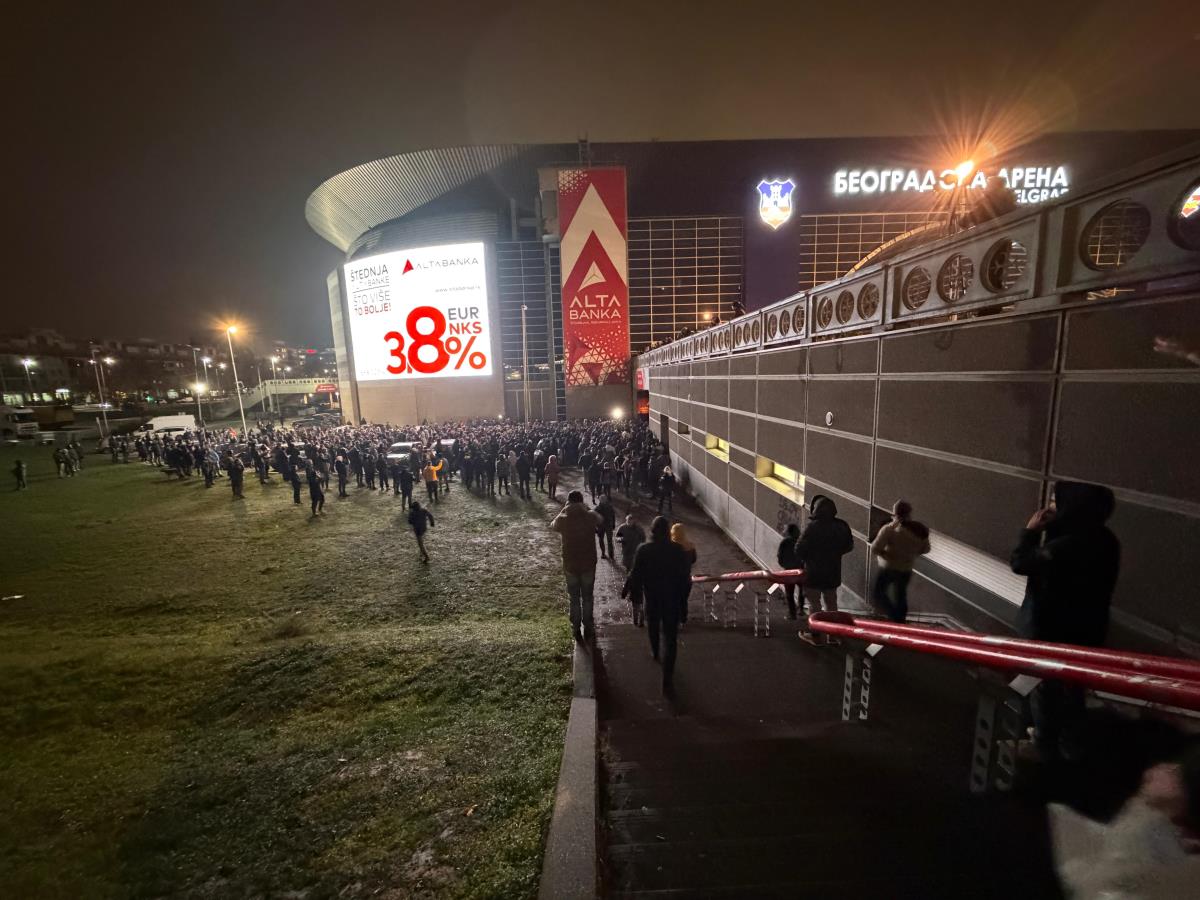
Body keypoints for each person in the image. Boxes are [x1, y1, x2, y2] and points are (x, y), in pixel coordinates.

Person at [1011, 481, 1120, 761]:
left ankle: (1044, 747)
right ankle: (1071, 747)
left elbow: (1020, 563)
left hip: (1053, 630)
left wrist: (1030, 532)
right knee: (1074, 689)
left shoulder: (1066, 545)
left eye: (1055, 501)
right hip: (1087, 629)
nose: (1049, 507)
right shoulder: (1105, 539)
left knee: (1046, 688)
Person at [624, 516, 692, 693]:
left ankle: (654, 651)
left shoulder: (644, 549)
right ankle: (667, 678)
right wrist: (682, 597)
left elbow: (636, 573)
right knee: (670, 639)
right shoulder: (678, 550)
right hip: (672, 599)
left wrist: (628, 589)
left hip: (652, 597)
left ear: (652, 531)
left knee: (653, 626)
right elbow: (685, 576)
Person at [796, 495, 853, 639]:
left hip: (813, 572)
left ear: (816, 510)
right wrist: (835, 554)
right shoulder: (842, 525)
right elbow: (849, 546)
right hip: (833, 571)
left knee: (814, 604)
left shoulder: (812, 527)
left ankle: (815, 634)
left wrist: (808, 557)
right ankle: (833, 635)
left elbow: (799, 549)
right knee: (831, 603)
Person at [550, 490, 603, 642]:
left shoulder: (564, 518)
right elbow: (601, 518)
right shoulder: (589, 516)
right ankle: (588, 627)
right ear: (581, 502)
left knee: (574, 598)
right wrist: (585, 508)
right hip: (588, 563)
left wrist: (565, 509)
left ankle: (575, 630)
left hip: (570, 564)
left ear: (569, 502)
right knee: (587, 597)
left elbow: (553, 525)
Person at [870, 500, 931, 623]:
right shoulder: (920, 530)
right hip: (906, 569)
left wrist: (886, 555)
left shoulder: (889, 529)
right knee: (900, 596)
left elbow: (875, 548)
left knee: (879, 593)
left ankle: (895, 617)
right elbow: (926, 549)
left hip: (888, 567)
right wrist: (910, 554)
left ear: (895, 513)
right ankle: (901, 621)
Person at [670, 522, 697, 625]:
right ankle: (683, 620)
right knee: (683, 601)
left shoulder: (671, 546)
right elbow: (694, 560)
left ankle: (675, 621)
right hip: (686, 579)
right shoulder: (690, 545)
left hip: (673, 579)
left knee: (674, 601)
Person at [777, 523, 802, 619]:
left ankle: (792, 614)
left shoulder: (785, 542)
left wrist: (784, 565)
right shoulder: (800, 541)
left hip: (789, 571)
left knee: (789, 594)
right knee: (802, 590)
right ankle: (801, 609)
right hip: (800, 570)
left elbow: (780, 555)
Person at [595, 493, 616, 560]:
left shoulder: (608, 507)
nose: (603, 500)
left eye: (604, 499)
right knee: (603, 540)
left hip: (605, 525)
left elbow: (613, 516)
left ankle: (609, 554)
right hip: (603, 526)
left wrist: (613, 524)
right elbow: (595, 518)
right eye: (602, 499)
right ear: (600, 500)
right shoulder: (598, 508)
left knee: (608, 540)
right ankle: (605, 553)